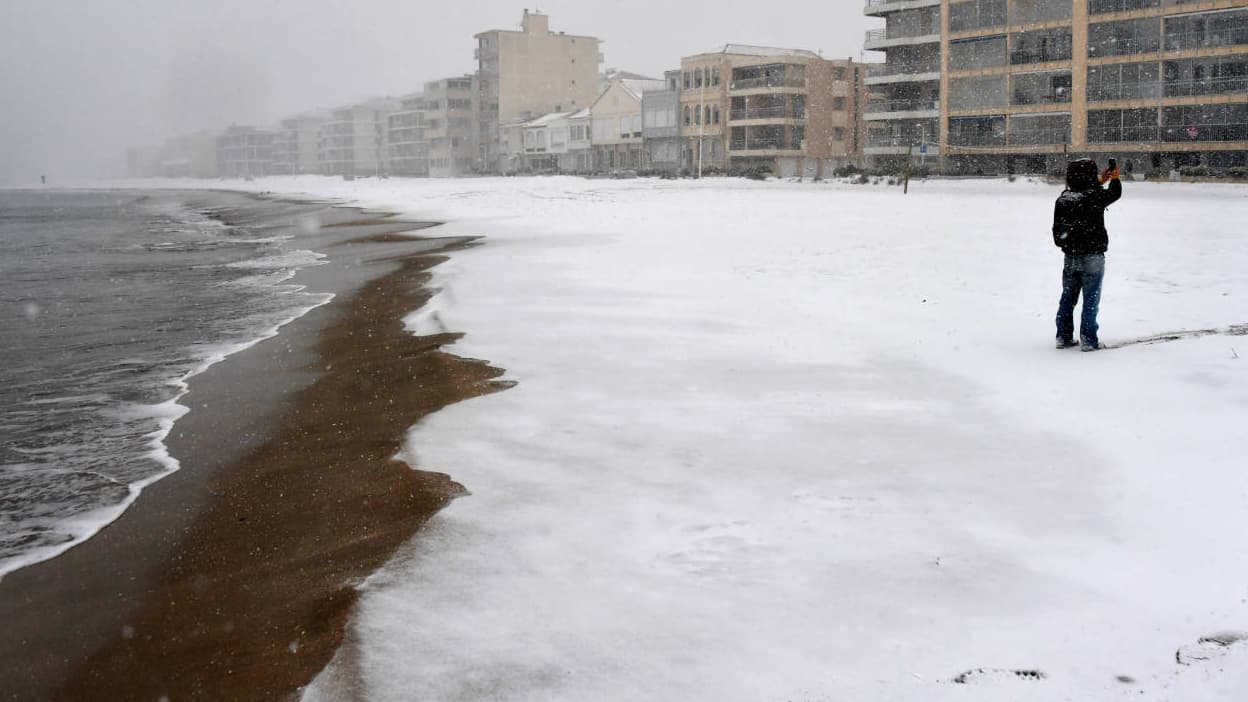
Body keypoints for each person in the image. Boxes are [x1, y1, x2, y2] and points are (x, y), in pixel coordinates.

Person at [1052, 158, 1122, 351]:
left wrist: (1100, 180)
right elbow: (1114, 193)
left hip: (1071, 256)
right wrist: (1114, 178)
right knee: (1090, 299)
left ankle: (1064, 336)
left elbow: (1082, 190)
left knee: (1068, 297)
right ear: (1090, 175)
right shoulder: (1095, 197)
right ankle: (1088, 339)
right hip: (1093, 255)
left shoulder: (1064, 199)